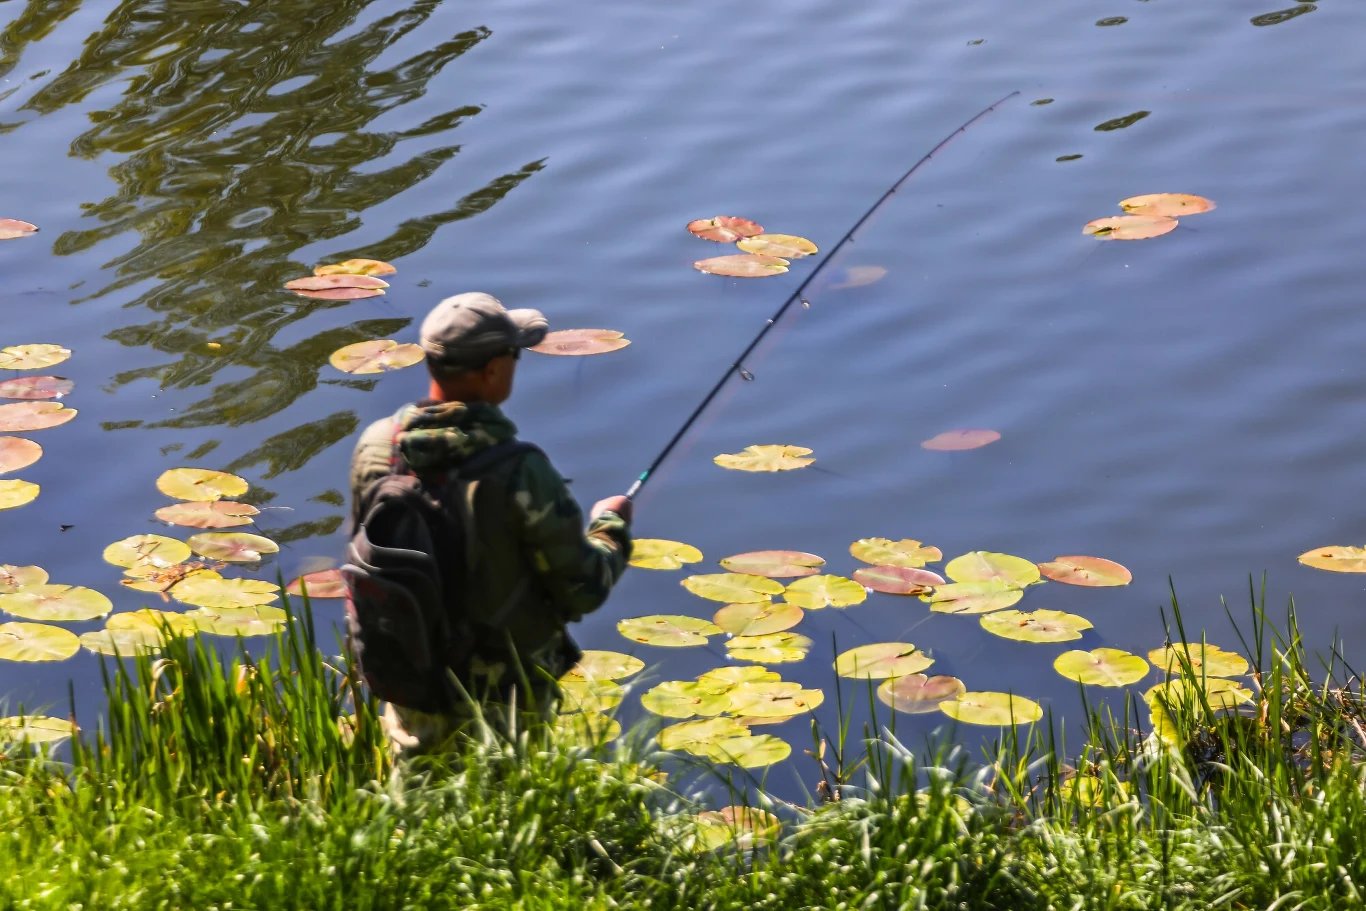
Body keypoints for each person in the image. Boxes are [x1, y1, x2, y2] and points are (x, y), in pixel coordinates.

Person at [348, 292, 633, 753]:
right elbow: (582, 588)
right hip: (503, 698)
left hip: (411, 683)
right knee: (503, 811)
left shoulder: (378, 446)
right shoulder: (518, 472)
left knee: (414, 812)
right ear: (493, 369)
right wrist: (610, 529)